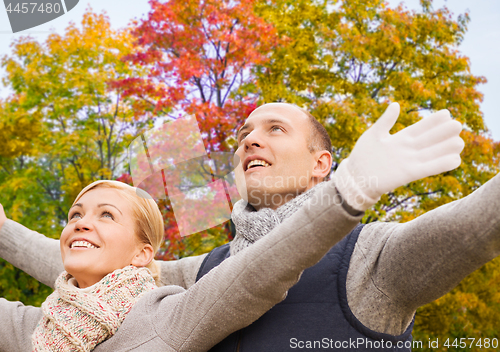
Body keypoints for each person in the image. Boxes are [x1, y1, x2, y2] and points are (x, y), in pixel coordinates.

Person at [1, 102, 499, 351]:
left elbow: (479, 222)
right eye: (243, 136)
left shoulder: (372, 257)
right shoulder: (205, 272)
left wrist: (357, 185)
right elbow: (97, 260)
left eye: (275, 129)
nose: (249, 141)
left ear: (321, 164)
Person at [0, 178, 363, 351]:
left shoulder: (165, 317)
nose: (80, 222)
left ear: (142, 254)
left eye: (106, 215)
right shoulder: (33, 327)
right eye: (75, 214)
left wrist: (346, 197)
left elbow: (256, 272)